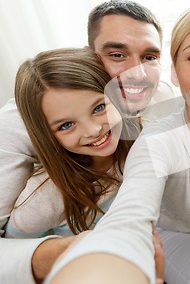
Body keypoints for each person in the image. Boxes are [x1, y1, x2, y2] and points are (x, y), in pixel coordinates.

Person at [44, 5, 190, 284]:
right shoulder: (155, 140)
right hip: (177, 239)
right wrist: (109, 259)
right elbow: (129, 217)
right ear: (174, 72)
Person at [0, 0, 174, 283]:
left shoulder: (159, 97)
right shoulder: (16, 126)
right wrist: (67, 251)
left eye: (149, 57)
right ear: (89, 57)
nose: (138, 74)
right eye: (117, 54)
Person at [7, 48, 130, 240]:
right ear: (46, 135)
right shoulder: (44, 198)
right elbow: (12, 256)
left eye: (98, 108)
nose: (93, 130)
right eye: (66, 125)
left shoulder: (140, 144)